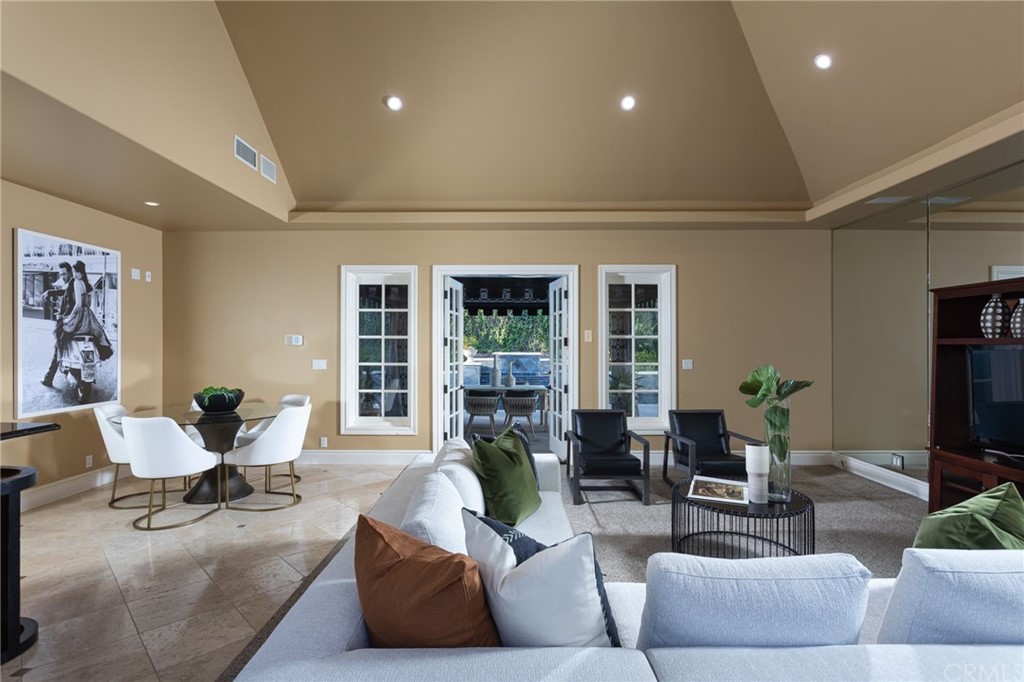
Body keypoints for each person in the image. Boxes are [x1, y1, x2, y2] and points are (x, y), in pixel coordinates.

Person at [55, 260, 114, 365]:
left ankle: (62, 361)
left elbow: (78, 304)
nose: (73, 274)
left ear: (80, 272)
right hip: (88, 316)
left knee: (62, 338)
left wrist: (70, 318)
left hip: (80, 317)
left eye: (75, 272)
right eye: (73, 271)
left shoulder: (77, 283)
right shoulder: (85, 283)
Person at [40, 262, 73, 387]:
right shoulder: (71, 284)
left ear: (70, 272)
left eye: (64, 274)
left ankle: (49, 378)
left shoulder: (73, 284)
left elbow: (69, 300)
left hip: (68, 323)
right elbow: (64, 291)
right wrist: (50, 292)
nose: (63, 276)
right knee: (61, 348)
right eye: (61, 274)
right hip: (71, 322)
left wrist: (63, 316)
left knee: (57, 349)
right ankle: (51, 377)